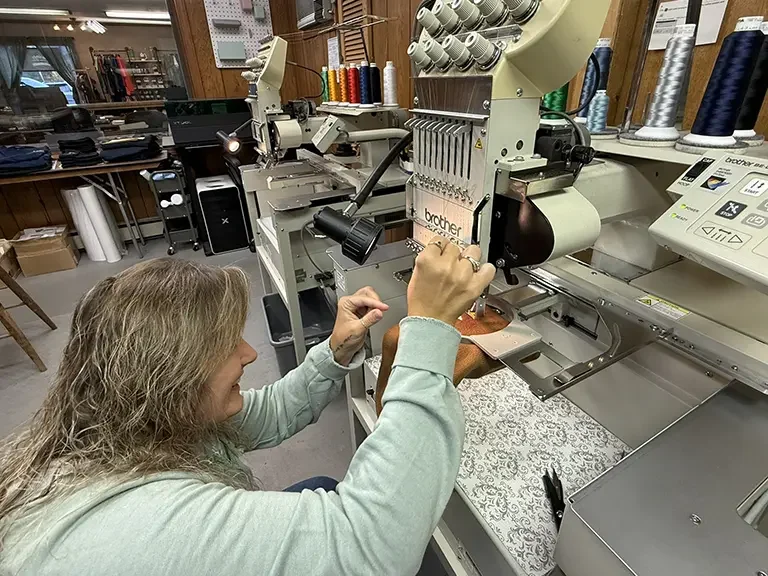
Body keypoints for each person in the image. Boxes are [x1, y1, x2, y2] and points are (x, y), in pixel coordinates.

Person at [0, 235, 495, 576]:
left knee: (322, 487)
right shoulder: (148, 525)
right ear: (171, 376)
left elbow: (269, 412)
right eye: (226, 345)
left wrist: (336, 351)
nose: (251, 353)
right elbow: (374, 547)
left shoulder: (132, 419)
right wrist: (430, 328)